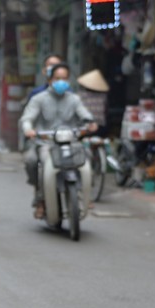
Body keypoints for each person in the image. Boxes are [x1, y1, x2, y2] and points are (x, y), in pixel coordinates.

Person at [20, 62, 98, 218]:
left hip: (71, 143)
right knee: (32, 160)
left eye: (64, 78)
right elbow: (27, 118)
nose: (61, 82)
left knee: (88, 156)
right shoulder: (38, 99)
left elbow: (84, 114)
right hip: (46, 144)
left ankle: (84, 191)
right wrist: (28, 129)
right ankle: (40, 198)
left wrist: (90, 122)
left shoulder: (74, 99)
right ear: (50, 79)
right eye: (57, 78)